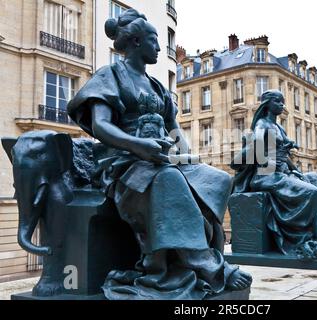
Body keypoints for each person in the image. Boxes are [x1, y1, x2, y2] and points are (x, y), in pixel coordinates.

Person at [67, 9, 251, 300]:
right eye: (155, 41)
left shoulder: (156, 87)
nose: (160, 48)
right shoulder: (110, 75)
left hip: (159, 159)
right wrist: (138, 146)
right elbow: (100, 126)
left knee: (215, 179)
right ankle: (208, 265)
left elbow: (175, 131)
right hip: (124, 163)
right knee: (168, 179)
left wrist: (189, 159)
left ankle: (194, 255)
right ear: (137, 42)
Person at [231, 90, 317, 259]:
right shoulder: (262, 126)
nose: (282, 105)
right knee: (314, 192)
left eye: (283, 102)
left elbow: (284, 157)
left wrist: (296, 170)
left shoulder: (278, 127)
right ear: (268, 104)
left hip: (285, 174)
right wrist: (266, 156)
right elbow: (250, 156)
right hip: (267, 176)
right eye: (278, 102)